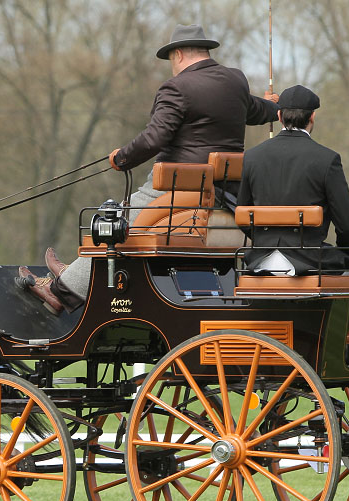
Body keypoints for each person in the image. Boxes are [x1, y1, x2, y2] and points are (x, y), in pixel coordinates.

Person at [17, 24, 279, 314]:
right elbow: (257, 111)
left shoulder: (177, 87)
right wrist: (274, 106)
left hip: (177, 189)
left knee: (115, 224)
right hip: (227, 196)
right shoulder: (235, 81)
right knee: (118, 216)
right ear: (205, 51)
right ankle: (71, 272)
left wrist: (122, 158)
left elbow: (154, 138)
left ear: (178, 54)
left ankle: (61, 290)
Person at [236, 84, 349, 276]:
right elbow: (345, 224)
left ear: (278, 116)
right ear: (312, 117)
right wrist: (347, 251)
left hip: (261, 261)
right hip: (309, 260)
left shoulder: (252, 157)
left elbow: (243, 215)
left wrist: (265, 240)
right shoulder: (327, 159)